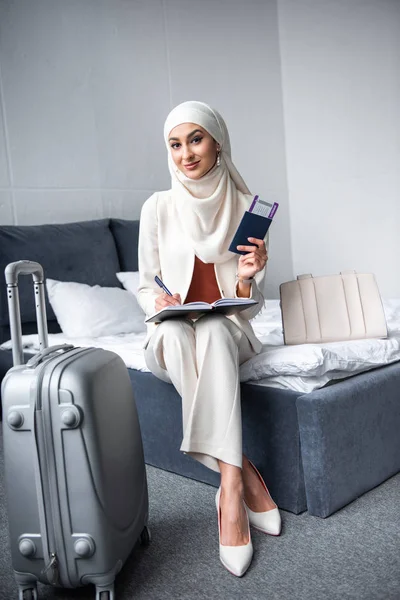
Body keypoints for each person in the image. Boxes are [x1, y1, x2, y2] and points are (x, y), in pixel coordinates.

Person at [137, 101, 281, 577]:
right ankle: (239, 479)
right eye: (175, 144)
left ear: (218, 141)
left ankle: (232, 493)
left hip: (227, 328)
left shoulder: (244, 205)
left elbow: (247, 301)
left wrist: (245, 278)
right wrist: (157, 304)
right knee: (178, 332)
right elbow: (145, 284)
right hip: (172, 332)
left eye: (195, 139)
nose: (185, 154)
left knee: (216, 326)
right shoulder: (156, 208)